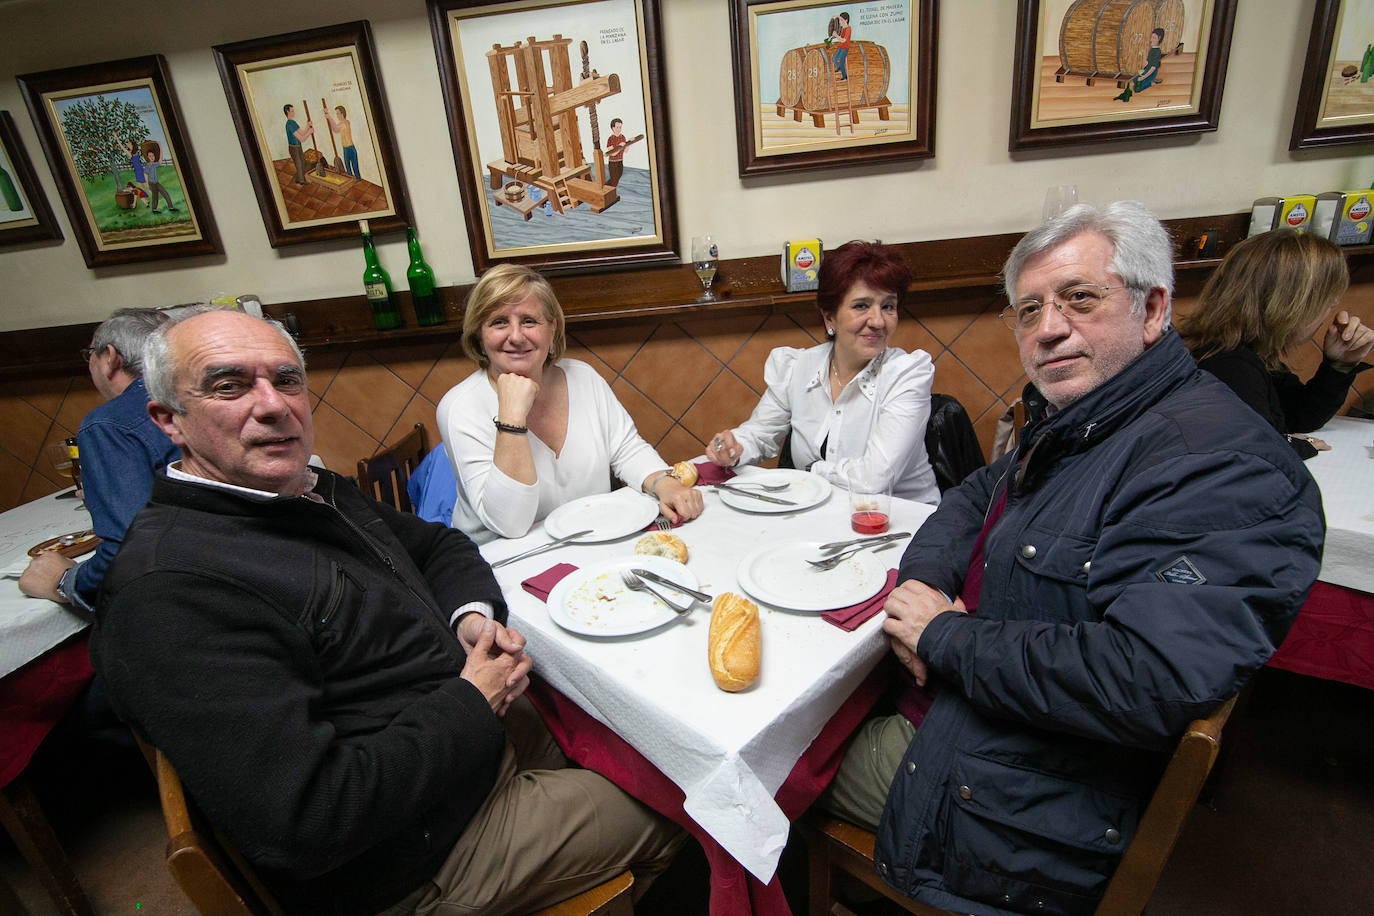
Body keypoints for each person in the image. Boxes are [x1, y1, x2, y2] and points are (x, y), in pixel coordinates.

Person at [819, 202, 1325, 916]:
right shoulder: (1089, 419)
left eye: (1079, 299)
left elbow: (1146, 676)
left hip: (1021, 793)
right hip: (991, 721)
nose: (1048, 328)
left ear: (1153, 310)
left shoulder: (1220, 464)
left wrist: (946, 637)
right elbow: (973, 495)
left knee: (780, 765)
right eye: (1029, 310)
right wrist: (925, 581)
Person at [90, 309, 682, 916]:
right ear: (167, 420)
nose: (272, 406)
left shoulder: (305, 493)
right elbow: (308, 820)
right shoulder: (172, 591)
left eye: (287, 380)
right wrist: (470, 701)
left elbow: (438, 545)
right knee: (691, 808)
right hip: (420, 854)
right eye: (228, 385)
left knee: (648, 738)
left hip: (464, 752)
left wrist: (469, 619)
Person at [438, 264, 703, 541]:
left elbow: (626, 449)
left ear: (552, 329)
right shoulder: (459, 408)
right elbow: (509, 524)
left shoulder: (583, 376)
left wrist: (663, 483)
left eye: (529, 321)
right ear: (479, 336)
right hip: (501, 561)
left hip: (589, 541)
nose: (516, 336)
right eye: (499, 322)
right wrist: (512, 419)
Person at [706, 240, 940, 504]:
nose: (877, 321)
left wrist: (811, 471)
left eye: (888, 306)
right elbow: (760, 433)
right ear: (829, 317)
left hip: (901, 523)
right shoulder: (797, 366)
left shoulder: (906, 374)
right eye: (861, 306)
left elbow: (874, 478)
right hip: (825, 518)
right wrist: (735, 446)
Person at [19, 307, 178, 612]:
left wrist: (64, 580)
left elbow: (130, 552)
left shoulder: (109, 423)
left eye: (89, 354)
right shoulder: (204, 395)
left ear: (110, 357)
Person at [1175, 228, 1374, 459]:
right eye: (1326, 301)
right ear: (1291, 305)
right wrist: (1293, 444)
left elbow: (1299, 415)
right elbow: (1257, 448)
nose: (1331, 308)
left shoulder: (1243, 348)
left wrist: (1339, 365)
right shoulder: (1228, 364)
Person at [1115, 28, 1164, 102]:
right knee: (1135, 79)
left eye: (1154, 38)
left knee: (1136, 89)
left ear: (1159, 38)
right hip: (1147, 69)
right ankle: (1147, 81)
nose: (1151, 40)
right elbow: (1146, 64)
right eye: (1151, 37)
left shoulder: (1157, 52)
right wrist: (1144, 54)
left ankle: (1152, 83)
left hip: (1152, 72)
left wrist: (1143, 77)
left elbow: (1153, 68)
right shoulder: (1152, 49)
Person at [327, 104, 361, 180]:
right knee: (347, 167)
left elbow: (335, 129)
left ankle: (357, 180)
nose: (337, 115)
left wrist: (329, 117)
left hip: (350, 148)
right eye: (336, 114)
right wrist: (329, 119)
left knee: (354, 167)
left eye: (338, 113)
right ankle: (350, 180)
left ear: (342, 113)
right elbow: (335, 129)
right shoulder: (342, 123)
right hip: (345, 148)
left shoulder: (345, 122)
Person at [142, 142, 176, 213]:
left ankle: (171, 207)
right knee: (155, 197)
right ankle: (154, 209)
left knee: (165, 193)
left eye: (153, 156)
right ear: (147, 157)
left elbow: (160, 161)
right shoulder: (148, 166)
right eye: (150, 156)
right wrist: (147, 185)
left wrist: (160, 147)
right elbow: (145, 175)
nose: (152, 157)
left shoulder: (154, 164)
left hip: (156, 183)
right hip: (151, 183)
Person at [283, 103, 312, 187]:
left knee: (302, 162)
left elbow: (302, 132)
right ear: (287, 112)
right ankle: (301, 181)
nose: (294, 113)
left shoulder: (293, 122)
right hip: (293, 148)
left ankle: (299, 178)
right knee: (299, 164)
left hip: (298, 146)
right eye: (292, 111)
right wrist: (309, 132)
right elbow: (301, 138)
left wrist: (307, 125)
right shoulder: (289, 124)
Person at [829, 11, 852, 81]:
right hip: (840, 46)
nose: (839, 22)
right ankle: (839, 67)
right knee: (834, 58)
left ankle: (844, 76)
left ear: (846, 20)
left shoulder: (848, 29)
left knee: (841, 61)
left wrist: (836, 35)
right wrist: (836, 16)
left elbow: (843, 40)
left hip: (845, 48)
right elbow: (840, 38)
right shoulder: (843, 28)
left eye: (841, 20)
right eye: (839, 20)